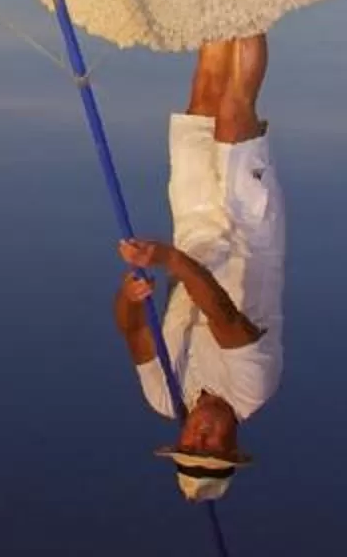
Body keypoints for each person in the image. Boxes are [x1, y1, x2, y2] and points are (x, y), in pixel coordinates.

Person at [114, 33, 282, 503]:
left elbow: (131, 333)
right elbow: (222, 314)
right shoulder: (253, 389)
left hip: (194, 229)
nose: (201, 437)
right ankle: (251, 0)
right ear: (234, 448)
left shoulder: (165, 395)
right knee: (232, 116)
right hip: (250, 235)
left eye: (190, 445)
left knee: (203, 100)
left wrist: (128, 297)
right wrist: (168, 260)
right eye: (211, 448)